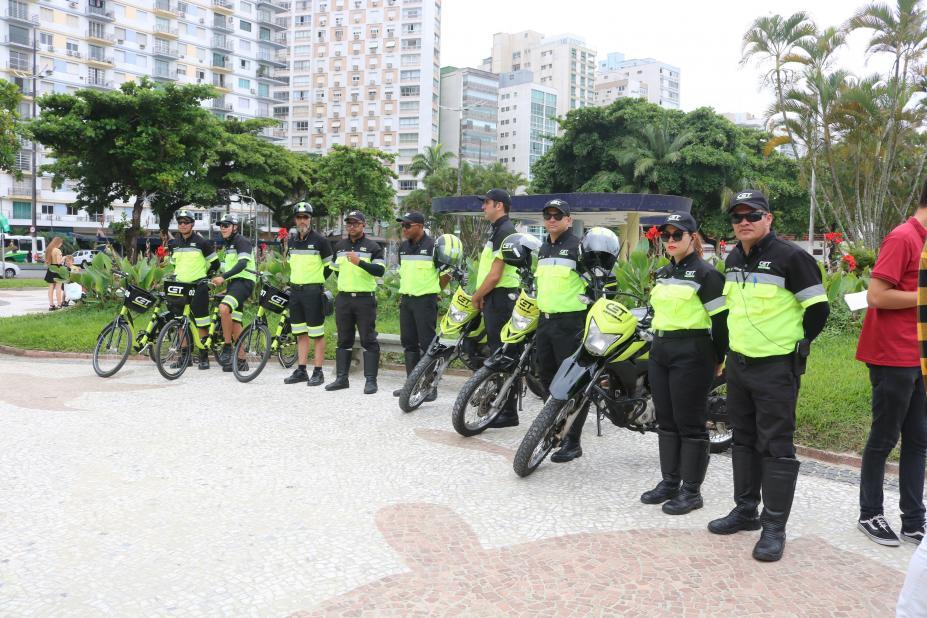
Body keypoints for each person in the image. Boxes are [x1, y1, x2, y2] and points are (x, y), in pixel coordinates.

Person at [707, 190, 829, 562]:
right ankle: (746, 511)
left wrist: (796, 345)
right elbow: (729, 311)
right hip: (740, 365)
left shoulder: (792, 257)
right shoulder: (732, 258)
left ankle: (774, 525)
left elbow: (818, 310)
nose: (744, 221)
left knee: (776, 444)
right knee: (743, 441)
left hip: (776, 368)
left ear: (768, 218)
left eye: (752, 215)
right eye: (737, 216)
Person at [640, 212, 728, 516]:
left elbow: (721, 322)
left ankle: (691, 491)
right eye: (667, 236)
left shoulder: (707, 275)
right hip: (661, 349)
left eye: (678, 235)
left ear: (693, 237)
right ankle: (669, 482)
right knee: (665, 420)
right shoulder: (663, 273)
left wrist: (718, 357)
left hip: (693, 351)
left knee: (690, 422)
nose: (671, 240)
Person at [854, 185, 927, 547]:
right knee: (884, 439)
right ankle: (870, 514)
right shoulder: (903, 237)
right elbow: (876, 295)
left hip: (920, 354)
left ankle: (914, 520)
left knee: (919, 440)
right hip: (892, 356)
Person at [532, 199, 588, 462]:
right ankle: (553, 429)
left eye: (558, 215)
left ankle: (572, 442)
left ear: (568, 219)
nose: (552, 219)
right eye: (548, 215)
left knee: (572, 384)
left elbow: (597, 286)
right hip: (545, 322)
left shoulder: (579, 247)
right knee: (546, 379)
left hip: (570, 324)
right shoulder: (544, 248)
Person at [470, 188, 521, 427]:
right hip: (495, 298)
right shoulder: (498, 230)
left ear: (499, 205)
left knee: (504, 355)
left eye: (487, 203)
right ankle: (502, 406)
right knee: (498, 353)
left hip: (501, 299)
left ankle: (508, 412)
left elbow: (495, 275)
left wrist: (477, 295)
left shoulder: (505, 232)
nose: (483, 207)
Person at [326, 210, 385, 394]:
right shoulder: (340, 246)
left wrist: (360, 263)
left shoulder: (373, 246)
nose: (352, 227)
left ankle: (370, 381)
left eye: (355, 223)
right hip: (344, 298)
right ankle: (342, 378)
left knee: (368, 339)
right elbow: (335, 270)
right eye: (349, 224)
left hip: (364, 299)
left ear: (363, 225)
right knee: (344, 339)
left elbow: (380, 271)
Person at [392, 211, 451, 397]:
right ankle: (412, 385)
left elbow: (446, 274)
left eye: (407, 225)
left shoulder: (434, 246)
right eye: (402, 226)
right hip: (407, 301)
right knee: (408, 343)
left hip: (425, 301)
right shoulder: (402, 247)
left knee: (427, 345)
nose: (404, 229)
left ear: (420, 226)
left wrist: (434, 291)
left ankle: (429, 387)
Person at [283, 202, 333, 387]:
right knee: (300, 332)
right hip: (296, 292)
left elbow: (329, 267)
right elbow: (292, 264)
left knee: (317, 334)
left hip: (313, 292)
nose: (302, 220)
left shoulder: (321, 241)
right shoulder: (292, 240)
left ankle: (318, 372)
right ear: (295, 219)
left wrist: (316, 281)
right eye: (299, 217)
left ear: (310, 219)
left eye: (306, 217)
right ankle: (301, 370)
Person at [169, 209, 220, 370]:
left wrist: (206, 277)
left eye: (186, 222)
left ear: (192, 224)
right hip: (180, 287)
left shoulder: (202, 242)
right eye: (180, 222)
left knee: (201, 323)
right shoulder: (174, 243)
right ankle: (185, 358)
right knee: (180, 323)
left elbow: (215, 263)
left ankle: (204, 357)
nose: (183, 225)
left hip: (198, 287)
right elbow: (174, 264)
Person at [211, 213, 256, 372]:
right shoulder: (228, 244)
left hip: (244, 282)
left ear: (235, 227)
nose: (223, 228)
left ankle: (228, 347)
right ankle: (242, 361)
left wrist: (223, 277)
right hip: (234, 284)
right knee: (235, 321)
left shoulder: (241, 241)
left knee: (223, 308)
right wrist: (226, 283)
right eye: (221, 226)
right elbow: (230, 268)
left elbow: (243, 264)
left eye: (226, 225)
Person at [44, 236, 64, 311]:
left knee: (51, 287)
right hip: (57, 269)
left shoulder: (49, 250)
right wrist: (64, 258)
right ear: (58, 243)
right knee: (58, 287)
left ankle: (51, 305)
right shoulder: (57, 250)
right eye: (61, 243)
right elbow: (59, 262)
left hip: (51, 268)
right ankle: (59, 304)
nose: (61, 245)